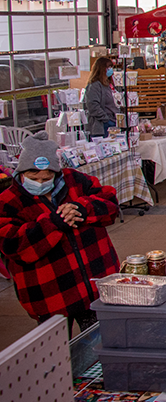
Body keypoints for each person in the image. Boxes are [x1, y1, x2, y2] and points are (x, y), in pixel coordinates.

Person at [0, 132, 120, 335]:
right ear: (20, 173)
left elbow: (110, 205)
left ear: (57, 173)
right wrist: (52, 223)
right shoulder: (8, 200)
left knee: (100, 345)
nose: (40, 182)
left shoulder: (76, 181)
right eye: (33, 178)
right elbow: (13, 246)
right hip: (49, 296)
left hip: (95, 288)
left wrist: (83, 208)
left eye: (47, 178)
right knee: (56, 356)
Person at [83, 56, 118, 138]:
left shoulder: (108, 84)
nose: (111, 70)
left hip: (113, 121)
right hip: (102, 125)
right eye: (109, 68)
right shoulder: (95, 86)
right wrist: (106, 119)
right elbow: (93, 106)